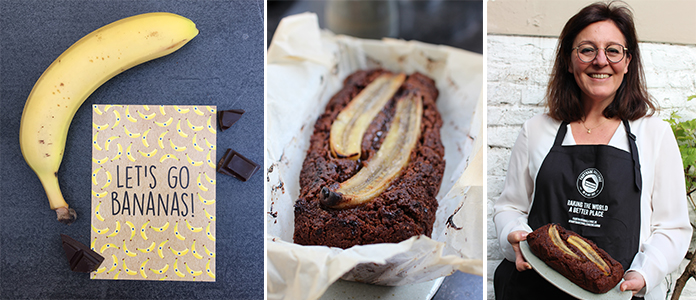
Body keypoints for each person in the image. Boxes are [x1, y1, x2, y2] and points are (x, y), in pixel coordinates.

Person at [492, 1, 692, 299]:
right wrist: (515, 235)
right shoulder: (536, 130)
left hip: (618, 294)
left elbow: (672, 228)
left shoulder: (654, 134)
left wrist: (644, 273)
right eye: (587, 50)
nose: (601, 61)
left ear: (627, 62)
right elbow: (510, 207)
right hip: (535, 289)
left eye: (613, 50)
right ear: (568, 62)